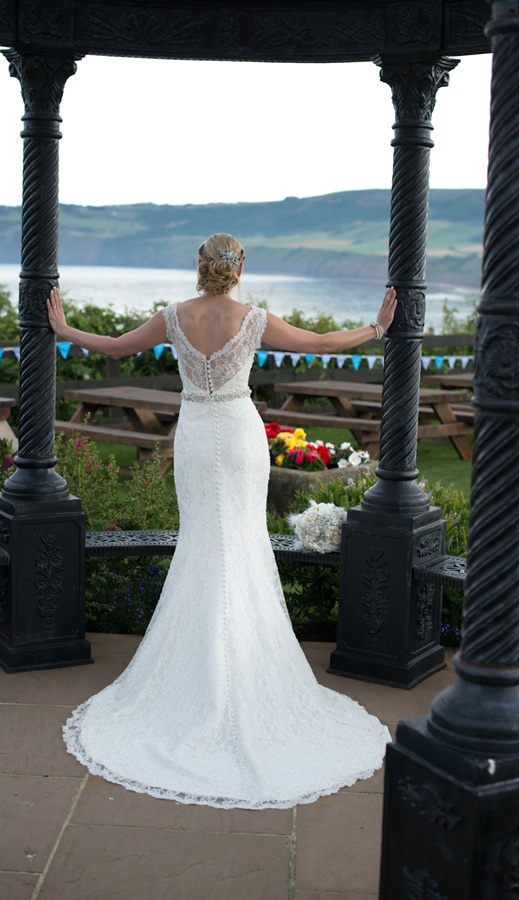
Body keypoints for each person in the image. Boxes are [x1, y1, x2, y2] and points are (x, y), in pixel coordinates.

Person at [47, 233, 397, 810]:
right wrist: (375, 329)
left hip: (194, 435)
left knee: (203, 543)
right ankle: (247, 675)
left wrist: (64, 331)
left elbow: (111, 348)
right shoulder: (254, 318)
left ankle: (197, 678)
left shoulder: (173, 316)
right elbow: (319, 343)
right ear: (239, 268)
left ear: (200, 267)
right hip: (238, 434)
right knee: (243, 545)